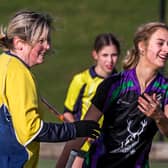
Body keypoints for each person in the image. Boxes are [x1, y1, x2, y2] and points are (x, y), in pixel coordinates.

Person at [0, 10, 100, 168]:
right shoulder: (18, 73)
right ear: (19, 44)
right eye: (41, 40)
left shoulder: (4, 62)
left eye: (47, 40)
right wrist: (74, 130)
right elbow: (31, 131)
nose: (48, 46)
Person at [62, 22, 168, 168]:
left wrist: (159, 117)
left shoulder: (165, 88)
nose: (166, 49)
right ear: (142, 46)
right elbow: (82, 131)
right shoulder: (114, 84)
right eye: (160, 43)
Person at [56, 33, 120, 168]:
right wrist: (82, 131)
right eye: (105, 55)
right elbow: (68, 113)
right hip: (82, 148)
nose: (110, 60)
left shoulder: (122, 82)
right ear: (95, 55)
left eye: (114, 55)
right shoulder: (80, 80)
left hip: (110, 149)